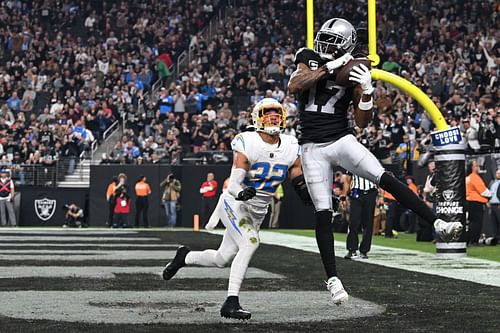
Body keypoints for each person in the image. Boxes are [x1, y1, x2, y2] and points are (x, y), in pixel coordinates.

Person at [287, 17, 463, 304]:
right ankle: (332, 278)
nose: (324, 45)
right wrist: (332, 66)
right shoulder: (308, 58)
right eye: (324, 38)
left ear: (345, 44)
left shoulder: (355, 68)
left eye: (331, 41)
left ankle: (438, 223)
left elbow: (362, 121)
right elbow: (296, 85)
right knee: (323, 211)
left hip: (341, 139)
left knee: (385, 177)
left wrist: (367, 92)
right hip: (312, 147)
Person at [162, 98, 312, 320]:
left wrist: (312, 198)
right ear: (257, 118)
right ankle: (231, 302)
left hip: (257, 211)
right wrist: (241, 192)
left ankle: (184, 257)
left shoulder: (290, 146)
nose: (273, 117)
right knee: (251, 242)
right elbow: (233, 183)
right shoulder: (247, 141)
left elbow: (297, 177)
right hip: (235, 203)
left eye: (277, 113)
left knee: (222, 259)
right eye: (267, 113)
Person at [343, 173, 377, 259]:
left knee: (368, 223)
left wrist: (381, 196)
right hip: (356, 192)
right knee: (354, 222)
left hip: (370, 193)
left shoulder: (373, 162)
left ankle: (364, 250)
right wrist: (343, 196)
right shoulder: (352, 162)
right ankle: (352, 249)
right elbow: (347, 180)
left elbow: (378, 179)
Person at [466, 160, 491, 245]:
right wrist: (491, 195)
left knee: (471, 223)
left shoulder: (468, 177)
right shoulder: (474, 177)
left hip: (469, 202)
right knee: (477, 223)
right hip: (476, 202)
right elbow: (484, 191)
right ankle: (474, 241)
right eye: (476, 165)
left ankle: (469, 240)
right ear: (472, 167)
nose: (478, 167)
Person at [488, 170, 500, 241]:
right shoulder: (492, 182)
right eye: (497, 173)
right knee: (494, 222)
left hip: (498, 204)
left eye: (499, 173)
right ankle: (496, 238)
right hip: (492, 205)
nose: (498, 174)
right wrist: (487, 201)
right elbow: (488, 192)